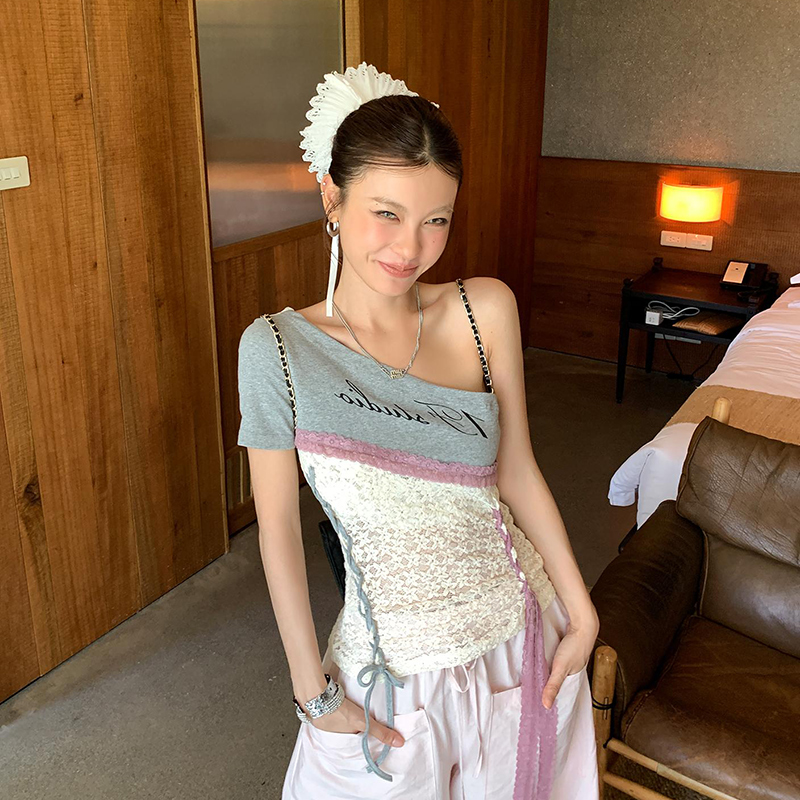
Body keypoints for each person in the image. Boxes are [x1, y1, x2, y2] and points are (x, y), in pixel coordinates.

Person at [237, 63, 600, 799]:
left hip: (519, 637)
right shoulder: (276, 350)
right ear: (332, 198)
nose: (410, 247)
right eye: (387, 212)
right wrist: (312, 693)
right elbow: (277, 531)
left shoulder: (483, 310)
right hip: (391, 672)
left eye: (437, 219)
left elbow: (517, 470)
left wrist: (582, 611)